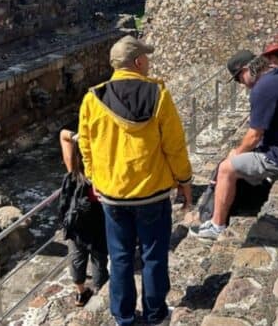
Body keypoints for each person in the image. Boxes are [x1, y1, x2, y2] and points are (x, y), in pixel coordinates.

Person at [78, 35, 192, 326]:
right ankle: (156, 315)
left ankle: (123, 317)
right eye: (146, 59)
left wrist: (94, 178)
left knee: (120, 258)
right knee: (154, 256)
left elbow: (86, 145)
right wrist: (184, 180)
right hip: (152, 193)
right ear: (138, 62)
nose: (148, 63)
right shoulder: (158, 95)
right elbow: (174, 145)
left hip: (113, 195)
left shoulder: (93, 98)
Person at [192, 50, 278, 240]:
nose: (242, 85)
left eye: (239, 79)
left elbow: (254, 136)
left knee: (226, 168)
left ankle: (217, 225)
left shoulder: (263, 88)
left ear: (247, 70)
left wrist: (236, 154)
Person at [58, 129, 108, 307]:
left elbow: (63, 135)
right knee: (99, 258)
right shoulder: (102, 170)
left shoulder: (73, 168)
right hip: (98, 220)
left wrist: (78, 136)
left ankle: (81, 293)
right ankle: (100, 293)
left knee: (77, 255)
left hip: (76, 220)